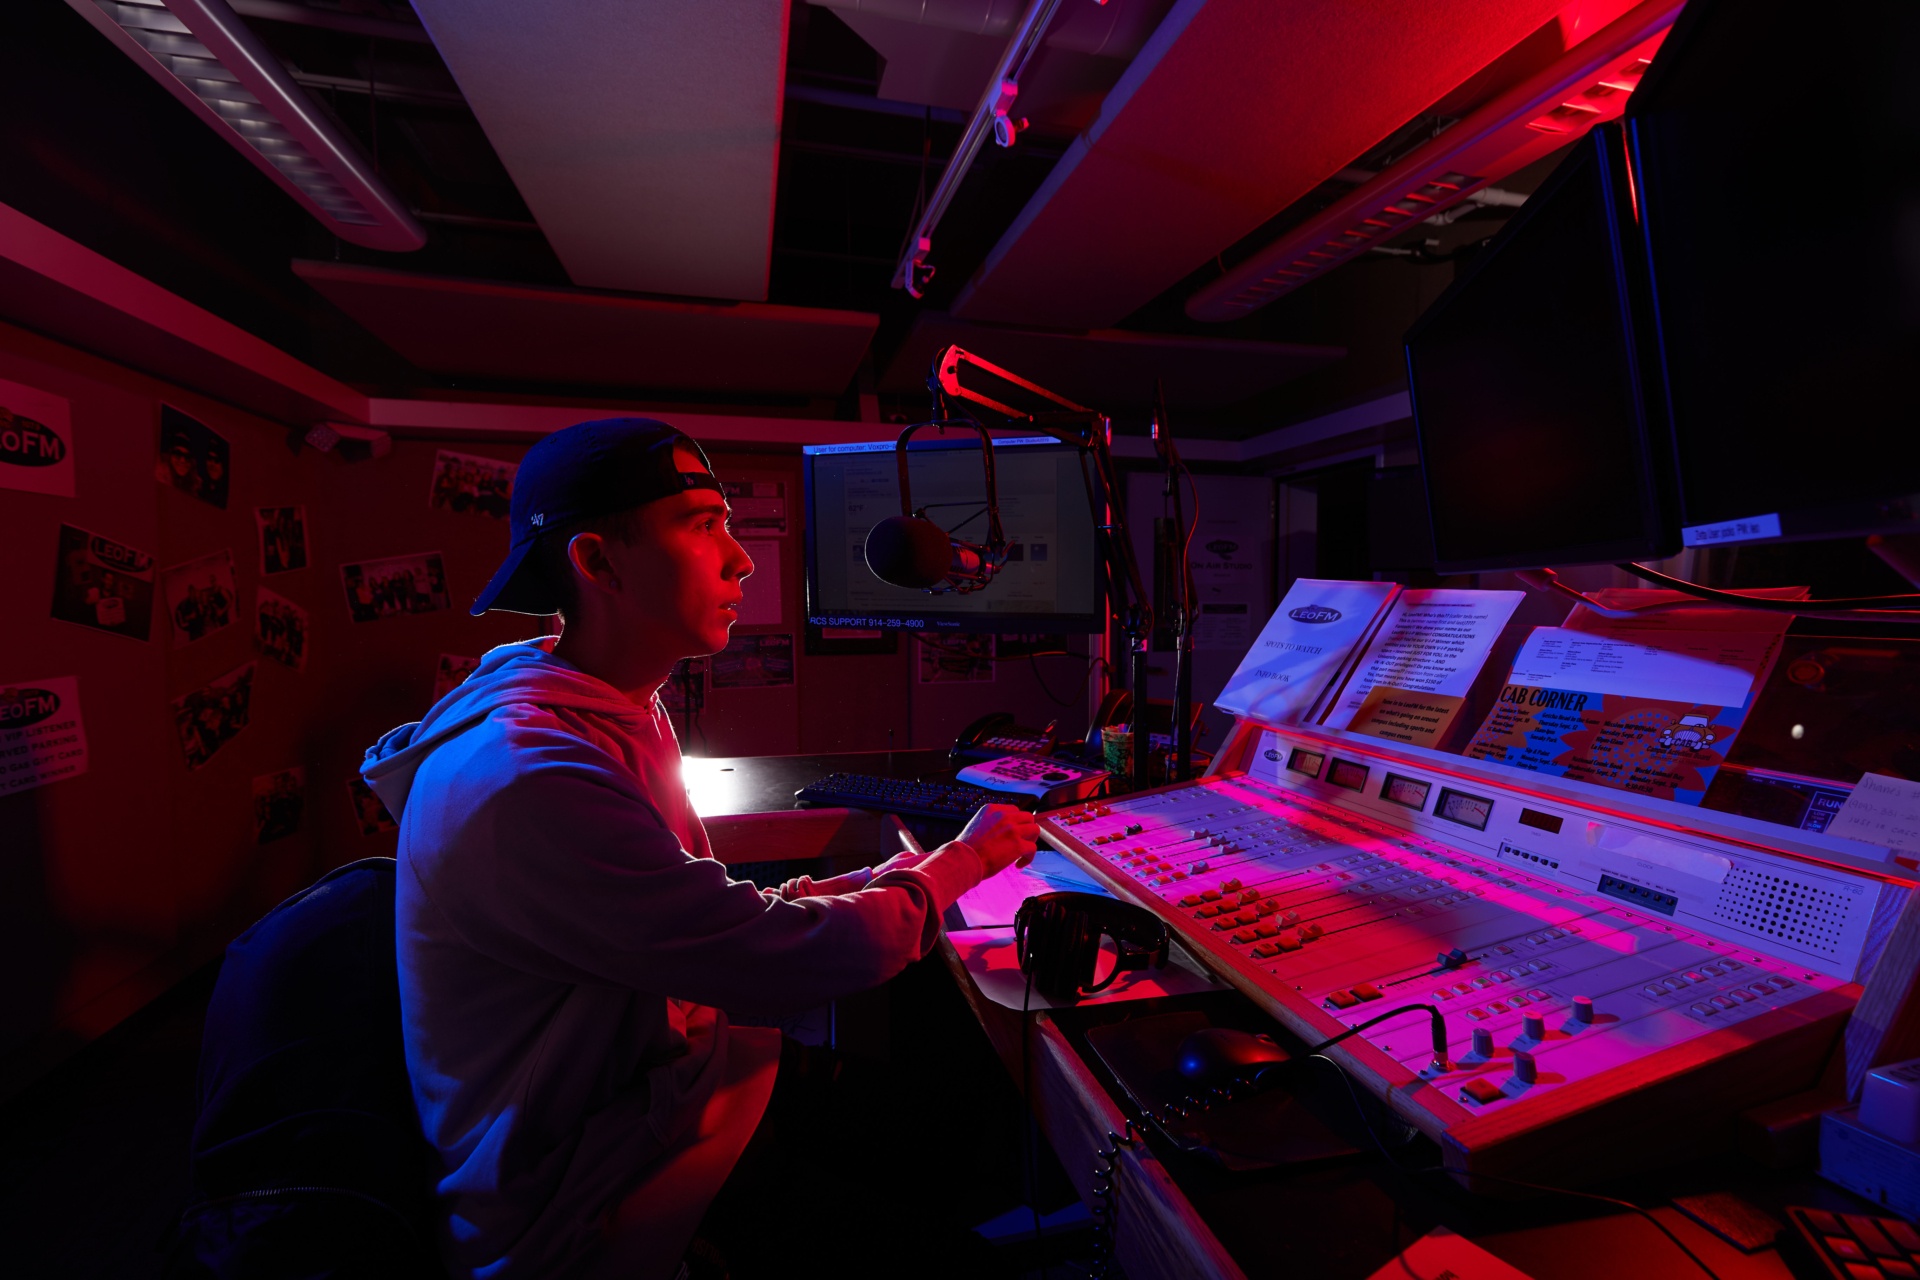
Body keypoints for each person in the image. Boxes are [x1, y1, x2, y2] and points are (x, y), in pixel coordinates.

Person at [361, 419, 1036, 1280]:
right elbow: (770, 961)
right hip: (594, 1188)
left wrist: (894, 873)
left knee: (958, 1129)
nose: (742, 559)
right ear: (599, 564)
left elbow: (703, 914)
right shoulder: (527, 776)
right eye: (702, 523)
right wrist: (965, 861)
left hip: (674, 1089)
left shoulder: (611, 705)